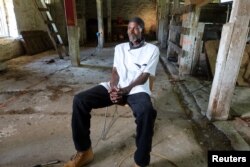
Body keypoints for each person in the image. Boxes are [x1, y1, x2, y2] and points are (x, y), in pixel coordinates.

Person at [64, 17, 160, 167]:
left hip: (137, 90)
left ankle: (141, 162)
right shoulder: (119, 48)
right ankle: (84, 151)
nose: (131, 31)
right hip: (117, 86)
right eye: (129, 28)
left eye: (135, 28)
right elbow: (115, 71)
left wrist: (125, 90)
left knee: (147, 112)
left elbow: (144, 76)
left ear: (142, 29)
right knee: (80, 100)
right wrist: (114, 87)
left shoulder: (152, 49)